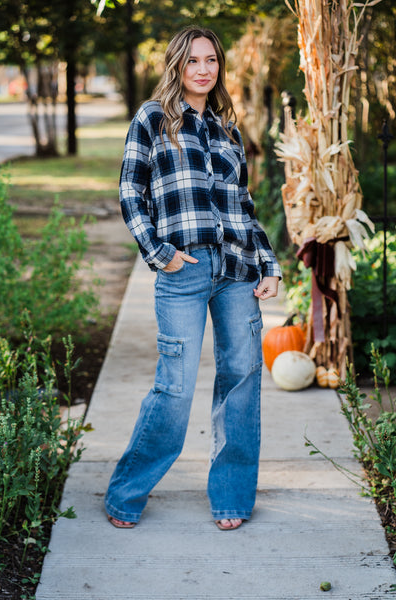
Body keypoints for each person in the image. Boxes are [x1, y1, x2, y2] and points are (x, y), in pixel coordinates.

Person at [105, 26, 281, 531]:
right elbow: (129, 194)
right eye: (194, 61)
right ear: (177, 65)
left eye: (212, 61)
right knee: (175, 387)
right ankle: (126, 492)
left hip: (235, 271)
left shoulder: (228, 129)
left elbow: (243, 207)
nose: (204, 69)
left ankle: (231, 496)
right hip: (183, 270)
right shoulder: (153, 119)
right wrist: (161, 254)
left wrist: (267, 263)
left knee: (242, 381)